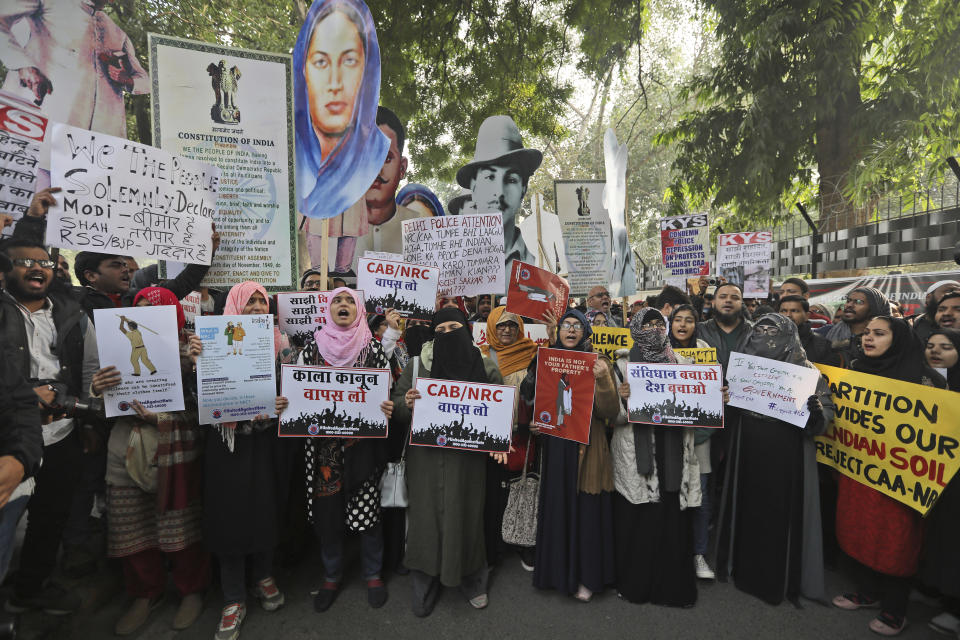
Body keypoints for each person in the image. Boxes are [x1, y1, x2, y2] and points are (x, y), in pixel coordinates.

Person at [97, 288, 209, 635]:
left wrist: (197, 367)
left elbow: (205, 411)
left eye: (155, 311)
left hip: (176, 448)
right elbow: (98, 401)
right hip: (124, 449)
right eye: (140, 309)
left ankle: (192, 590)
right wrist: (96, 387)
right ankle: (145, 594)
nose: (145, 315)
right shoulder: (111, 348)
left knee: (182, 527)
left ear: (174, 315)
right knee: (131, 526)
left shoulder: (195, 351)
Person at [0, 239, 102, 615]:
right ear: (5, 269)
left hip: (62, 436)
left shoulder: (72, 316)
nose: (36, 268)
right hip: (8, 444)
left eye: (44, 262)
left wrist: (87, 420)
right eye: (24, 261)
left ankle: (31, 588)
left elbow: (91, 371)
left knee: (50, 517)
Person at [832, 316, 945, 635]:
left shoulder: (927, 381)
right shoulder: (855, 372)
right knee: (859, 530)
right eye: (867, 333)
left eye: (879, 334)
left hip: (901, 481)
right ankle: (866, 592)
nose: (869, 338)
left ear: (898, 340)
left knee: (896, 540)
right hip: (859, 473)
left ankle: (895, 609)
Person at [390, 307, 505, 616]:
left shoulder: (485, 365)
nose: (447, 335)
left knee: (466, 516)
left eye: (454, 327)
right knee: (425, 519)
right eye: (439, 331)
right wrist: (407, 403)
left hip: (467, 461)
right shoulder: (417, 366)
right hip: (425, 460)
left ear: (466, 330)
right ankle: (424, 581)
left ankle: (470, 578)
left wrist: (499, 439)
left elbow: (501, 410)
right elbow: (397, 409)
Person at [715, 313, 832, 606]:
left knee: (780, 514)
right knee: (746, 508)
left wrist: (816, 412)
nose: (766, 337)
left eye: (774, 331)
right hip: (747, 450)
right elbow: (726, 409)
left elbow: (823, 419)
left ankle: (777, 578)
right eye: (760, 329)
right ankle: (742, 568)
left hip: (786, 455)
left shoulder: (807, 372)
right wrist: (726, 398)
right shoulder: (740, 364)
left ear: (789, 335)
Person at [198, 281, 290, 640]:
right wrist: (196, 360)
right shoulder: (209, 340)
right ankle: (233, 596)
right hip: (227, 442)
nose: (255, 307)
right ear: (234, 304)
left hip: (265, 441)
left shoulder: (280, 342)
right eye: (248, 300)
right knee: (228, 514)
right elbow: (197, 393)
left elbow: (295, 385)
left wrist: (283, 399)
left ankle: (263, 576)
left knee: (264, 507)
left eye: (260, 301)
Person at [297, 287, 394, 612]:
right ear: (328, 308)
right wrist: (287, 403)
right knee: (328, 514)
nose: (342, 305)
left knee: (367, 510)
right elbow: (297, 392)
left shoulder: (374, 350)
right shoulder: (311, 349)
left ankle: (372, 573)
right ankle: (331, 574)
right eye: (336, 300)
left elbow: (386, 391)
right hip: (324, 451)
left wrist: (387, 407)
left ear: (360, 310)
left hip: (362, 448)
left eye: (349, 300)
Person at [520, 309, 619, 602]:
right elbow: (531, 396)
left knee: (586, 511)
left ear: (586, 332)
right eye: (567, 325)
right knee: (558, 507)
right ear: (558, 330)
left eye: (578, 326)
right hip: (555, 447)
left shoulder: (600, 362)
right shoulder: (545, 358)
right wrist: (536, 422)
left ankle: (587, 576)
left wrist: (603, 380)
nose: (572, 330)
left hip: (587, 448)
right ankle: (556, 573)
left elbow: (610, 412)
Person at [612, 308, 701, 606]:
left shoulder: (684, 364)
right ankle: (637, 584)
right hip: (637, 458)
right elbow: (608, 418)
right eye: (645, 324)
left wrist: (717, 398)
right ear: (635, 328)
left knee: (671, 518)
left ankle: (672, 588)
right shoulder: (621, 365)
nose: (652, 328)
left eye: (657, 323)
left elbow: (699, 410)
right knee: (641, 521)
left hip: (672, 452)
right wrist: (622, 401)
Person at [294, 0, 389, 256]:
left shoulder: (370, 156)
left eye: (349, 61)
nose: (335, 83)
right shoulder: (290, 159)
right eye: (321, 62)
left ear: (366, 71)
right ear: (303, 70)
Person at [0, 0, 149, 138]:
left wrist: (128, 80)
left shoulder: (118, 34)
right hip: (39, 126)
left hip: (98, 144)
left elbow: (146, 82)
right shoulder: (49, 3)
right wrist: (23, 65)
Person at [479, 307, 551, 570]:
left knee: (524, 487)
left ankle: (523, 541)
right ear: (491, 328)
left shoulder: (533, 353)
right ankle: (495, 545)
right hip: (492, 437)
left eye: (511, 325)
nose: (506, 330)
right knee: (495, 491)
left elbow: (547, 387)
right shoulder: (482, 356)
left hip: (525, 436)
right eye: (500, 326)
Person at [332, 107, 431, 272]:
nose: (375, 170)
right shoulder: (329, 229)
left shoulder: (422, 230)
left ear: (402, 167)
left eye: (386, 158)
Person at [456, 115, 542, 278]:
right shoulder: (451, 263)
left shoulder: (541, 263)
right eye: (489, 177)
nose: (500, 192)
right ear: (474, 187)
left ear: (523, 189)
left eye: (510, 179)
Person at [667, 303, 717, 580]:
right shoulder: (658, 352)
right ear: (670, 324)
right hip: (669, 440)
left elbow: (710, 399)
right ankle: (674, 551)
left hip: (700, 440)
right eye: (678, 320)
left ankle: (699, 553)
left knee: (701, 498)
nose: (683, 324)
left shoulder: (706, 353)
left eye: (689, 320)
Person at [919, 328, 960, 635]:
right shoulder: (920, 380)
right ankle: (940, 591)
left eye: (945, 347)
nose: (935, 351)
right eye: (930, 346)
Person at [824, 287, 890, 363]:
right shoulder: (825, 332)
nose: (849, 305)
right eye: (848, 301)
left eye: (858, 302)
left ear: (874, 308)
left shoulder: (888, 339)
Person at [698, 283, 752, 370]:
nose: (728, 300)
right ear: (713, 303)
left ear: (742, 303)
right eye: (723, 297)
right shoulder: (699, 331)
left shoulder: (756, 332)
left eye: (735, 298)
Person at [778, 295, 841, 366]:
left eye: (794, 311)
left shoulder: (822, 345)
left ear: (807, 316)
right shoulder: (766, 340)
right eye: (783, 311)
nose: (788, 315)